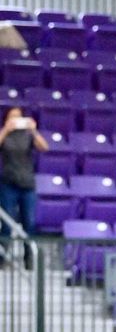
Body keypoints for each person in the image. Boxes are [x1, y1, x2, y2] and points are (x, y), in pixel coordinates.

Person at [0, 105, 47, 260]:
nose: (15, 120)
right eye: (12, 117)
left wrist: (33, 130)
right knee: (6, 224)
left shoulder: (28, 135)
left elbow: (44, 147)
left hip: (27, 185)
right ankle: (2, 257)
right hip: (8, 184)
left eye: (18, 116)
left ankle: (29, 258)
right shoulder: (4, 135)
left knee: (29, 223)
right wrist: (6, 130)